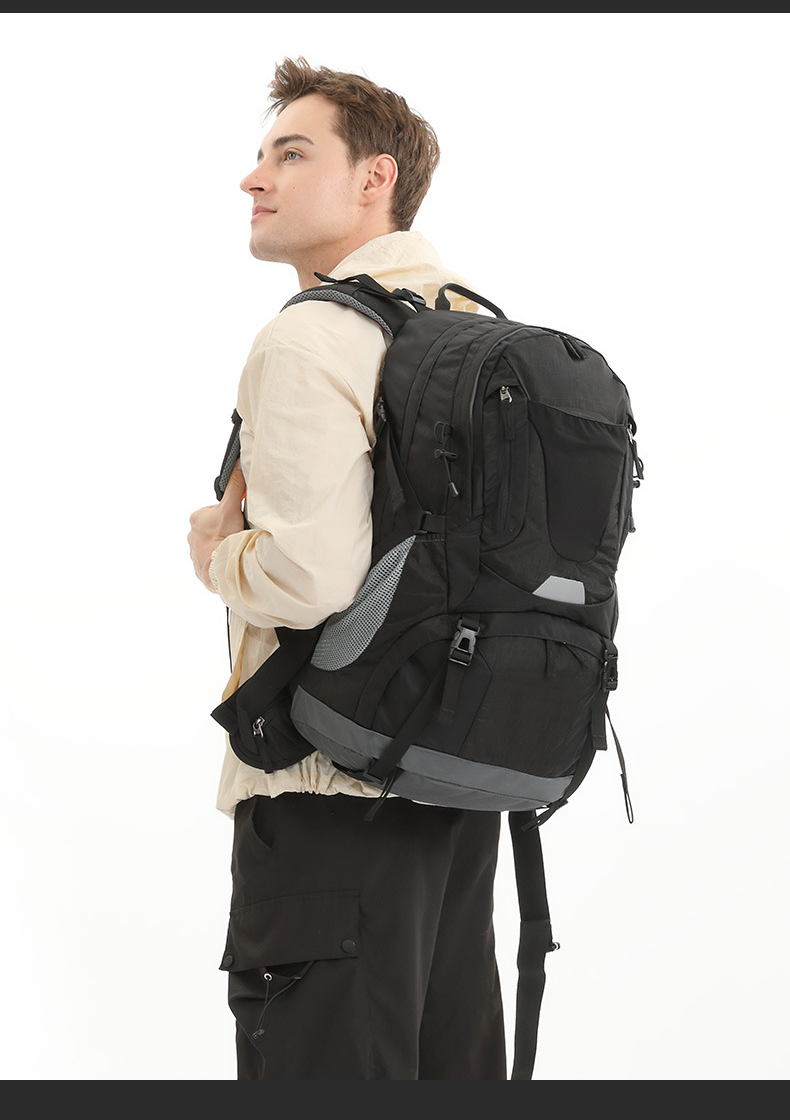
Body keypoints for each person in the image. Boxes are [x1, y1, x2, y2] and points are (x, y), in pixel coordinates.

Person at [187, 56, 508, 1081]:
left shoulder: (313, 338)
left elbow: (311, 578)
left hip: (328, 790)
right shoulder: (476, 329)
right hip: (459, 787)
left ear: (376, 178)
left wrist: (218, 554)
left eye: (290, 154)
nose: (253, 178)